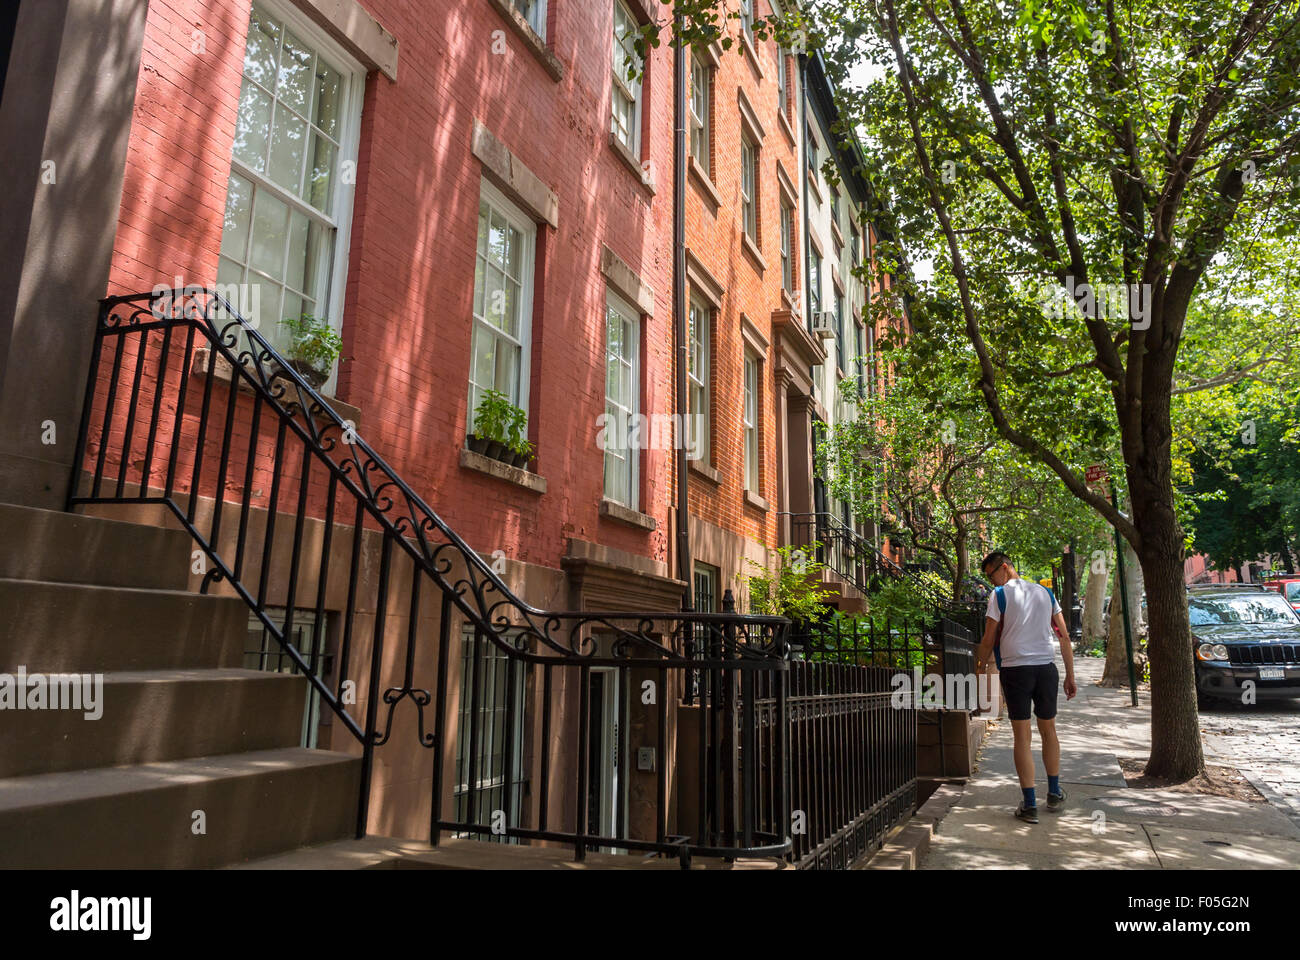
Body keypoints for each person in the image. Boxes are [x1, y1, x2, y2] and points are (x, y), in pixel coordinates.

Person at [976, 550, 1077, 824]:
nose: (992, 582)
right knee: (1048, 730)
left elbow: (988, 638)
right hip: (1046, 669)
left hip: (1015, 670)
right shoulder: (1046, 594)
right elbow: (1064, 636)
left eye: (992, 575)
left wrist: (980, 667)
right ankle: (1054, 793)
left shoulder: (999, 596)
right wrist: (1070, 674)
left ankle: (1030, 804)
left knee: (1022, 736)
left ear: (1005, 568)